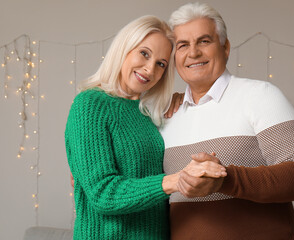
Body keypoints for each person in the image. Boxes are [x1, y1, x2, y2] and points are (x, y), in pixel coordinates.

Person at [160, 3, 294, 239]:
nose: (193, 53)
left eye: (204, 41)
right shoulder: (166, 115)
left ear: (225, 48)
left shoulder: (261, 95)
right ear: (175, 58)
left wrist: (225, 178)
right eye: (183, 45)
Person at [65, 15, 226, 240]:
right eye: (144, 53)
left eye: (161, 64)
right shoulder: (90, 104)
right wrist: (175, 179)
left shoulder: (149, 113)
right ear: (125, 48)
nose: (150, 69)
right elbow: (103, 193)